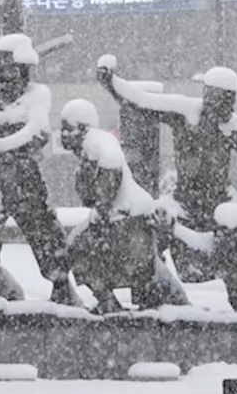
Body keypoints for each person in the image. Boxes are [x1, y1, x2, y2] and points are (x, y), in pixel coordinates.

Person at [96, 56, 237, 279]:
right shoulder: (185, 114)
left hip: (223, 200)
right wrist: (112, 83)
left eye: (232, 100)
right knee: (150, 231)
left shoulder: (233, 127)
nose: (230, 107)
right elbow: (142, 102)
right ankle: (151, 285)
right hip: (184, 200)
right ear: (210, 97)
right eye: (225, 100)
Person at [0, 34, 73, 302]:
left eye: (15, 69)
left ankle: (61, 287)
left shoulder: (37, 96)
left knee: (45, 233)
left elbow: (36, 134)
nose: (9, 76)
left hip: (25, 179)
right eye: (5, 69)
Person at [58, 99, 188, 313]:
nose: (63, 135)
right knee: (142, 268)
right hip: (126, 214)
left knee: (79, 250)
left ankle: (112, 302)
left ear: (81, 127)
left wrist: (102, 208)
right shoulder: (90, 145)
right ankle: (130, 301)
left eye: (67, 129)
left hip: (127, 216)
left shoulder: (95, 142)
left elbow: (111, 165)